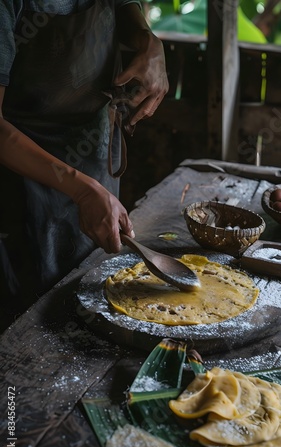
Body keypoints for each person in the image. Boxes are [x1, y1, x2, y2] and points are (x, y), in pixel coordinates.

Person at [0, 0, 169, 330]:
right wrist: (81, 189)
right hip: (23, 179)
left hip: (94, 161)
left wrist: (149, 40)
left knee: (95, 301)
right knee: (31, 321)